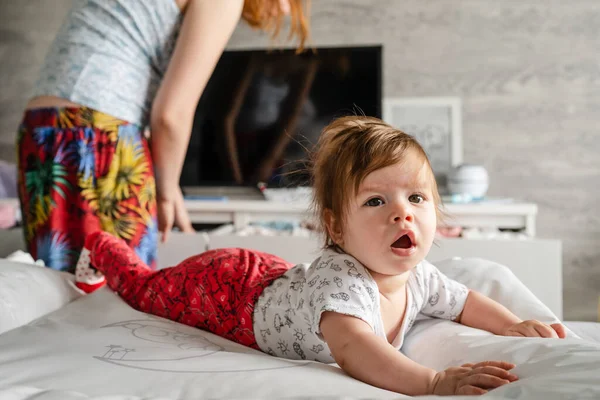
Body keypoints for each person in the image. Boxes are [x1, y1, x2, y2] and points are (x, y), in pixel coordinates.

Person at [73, 116, 567, 396]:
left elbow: (463, 301)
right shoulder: (342, 284)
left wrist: (509, 325)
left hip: (274, 278)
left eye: (416, 198)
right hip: (226, 292)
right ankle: (100, 244)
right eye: (376, 201)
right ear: (335, 226)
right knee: (145, 289)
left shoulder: (419, 276)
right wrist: (433, 381)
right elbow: (354, 350)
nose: (403, 215)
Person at [16, 0, 311, 272]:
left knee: (57, 292)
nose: (286, 10)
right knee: (118, 298)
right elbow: (171, 114)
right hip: (99, 137)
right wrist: (168, 190)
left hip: (41, 130)